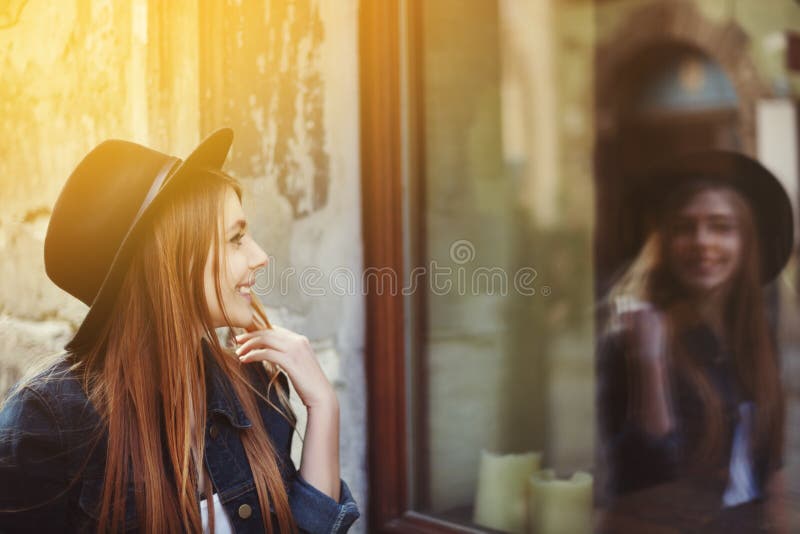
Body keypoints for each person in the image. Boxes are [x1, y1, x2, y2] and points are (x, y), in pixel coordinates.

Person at [0, 129, 360, 533]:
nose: (260, 257)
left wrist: (323, 406)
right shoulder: (48, 421)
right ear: (168, 261)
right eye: (236, 239)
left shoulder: (253, 382)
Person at [597, 150, 792, 507]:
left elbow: (770, 469)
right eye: (684, 228)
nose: (703, 241)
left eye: (721, 227)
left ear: (745, 243)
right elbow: (644, 478)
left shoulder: (755, 332)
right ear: (666, 245)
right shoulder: (631, 338)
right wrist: (647, 362)